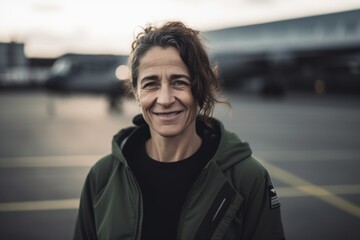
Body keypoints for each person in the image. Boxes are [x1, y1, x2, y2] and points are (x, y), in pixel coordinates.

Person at [73, 21, 285, 240]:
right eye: (151, 84)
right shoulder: (102, 177)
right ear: (136, 92)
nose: (164, 99)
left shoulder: (247, 178)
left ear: (199, 88)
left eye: (179, 82)